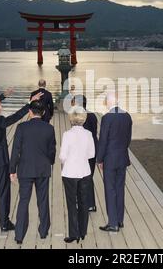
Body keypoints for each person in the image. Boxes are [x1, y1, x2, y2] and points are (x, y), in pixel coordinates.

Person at [0, 92, 42, 232]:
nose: (1, 107)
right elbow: (15, 117)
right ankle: (4, 223)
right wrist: (29, 104)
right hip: (1, 163)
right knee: (3, 193)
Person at [10, 101, 56, 244]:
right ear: (42, 113)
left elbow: (15, 150)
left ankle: (19, 235)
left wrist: (12, 170)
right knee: (43, 201)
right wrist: (50, 162)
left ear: (30, 112)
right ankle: (43, 231)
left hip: (25, 169)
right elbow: (52, 150)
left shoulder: (21, 127)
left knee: (23, 201)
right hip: (43, 169)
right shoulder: (49, 128)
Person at [97, 92, 132, 232]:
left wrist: (99, 159)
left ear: (109, 102)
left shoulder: (107, 118)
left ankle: (113, 223)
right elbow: (128, 138)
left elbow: (103, 140)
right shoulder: (127, 116)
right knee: (119, 188)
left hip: (110, 159)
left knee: (110, 190)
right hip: (122, 157)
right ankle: (119, 220)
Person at [59, 106, 95, 243]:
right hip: (85, 171)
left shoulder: (67, 135)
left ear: (71, 119)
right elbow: (91, 154)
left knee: (71, 204)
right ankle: (83, 232)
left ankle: (73, 234)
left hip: (69, 173)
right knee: (83, 202)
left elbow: (62, 156)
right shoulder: (88, 134)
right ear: (83, 118)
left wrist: (66, 160)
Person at [72, 95, 98, 212]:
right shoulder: (92, 115)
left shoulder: (77, 117)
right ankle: (91, 204)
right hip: (92, 149)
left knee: (82, 177)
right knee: (89, 176)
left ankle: (84, 203)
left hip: (82, 151)